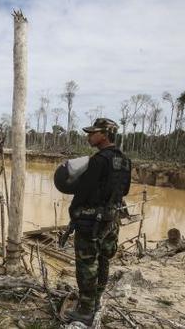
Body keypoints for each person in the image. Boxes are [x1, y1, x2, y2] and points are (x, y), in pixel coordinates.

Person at [63, 118, 132, 325]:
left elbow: (83, 191)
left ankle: (85, 310)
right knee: (103, 260)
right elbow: (125, 191)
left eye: (93, 133)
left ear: (104, 135)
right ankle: (97, 301)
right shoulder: (125, 160)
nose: (89, 136)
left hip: (91, 221)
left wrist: (74, 212)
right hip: (111, 219)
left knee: (86, 265)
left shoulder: (98, 160)